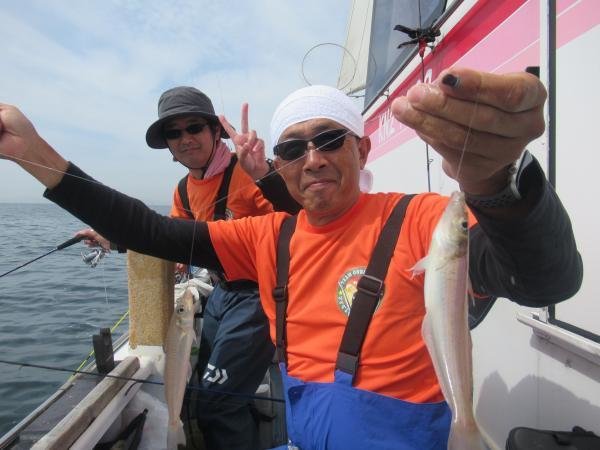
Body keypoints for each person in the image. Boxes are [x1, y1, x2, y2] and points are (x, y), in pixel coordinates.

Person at [0, 67, 583, 449]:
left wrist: (500, 183)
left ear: (362, 147)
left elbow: (544, 280)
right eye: (293, 148)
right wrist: (34, 154)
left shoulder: (423, 217)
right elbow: (147, 230)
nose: (313, 158)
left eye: (329, 139)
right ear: (278, 164)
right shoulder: (266, 236)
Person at [77, 86, 300, 450]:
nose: (185, 139)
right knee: (202, 391)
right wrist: (114, 240)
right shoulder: (183, 190)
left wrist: (266, 174)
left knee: (219, 400)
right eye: (174, 132)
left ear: (216, 131)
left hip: (259, 297)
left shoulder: (251, 172)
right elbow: (166, 239)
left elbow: (300, 221)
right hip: (222, 293)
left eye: (194, 127)